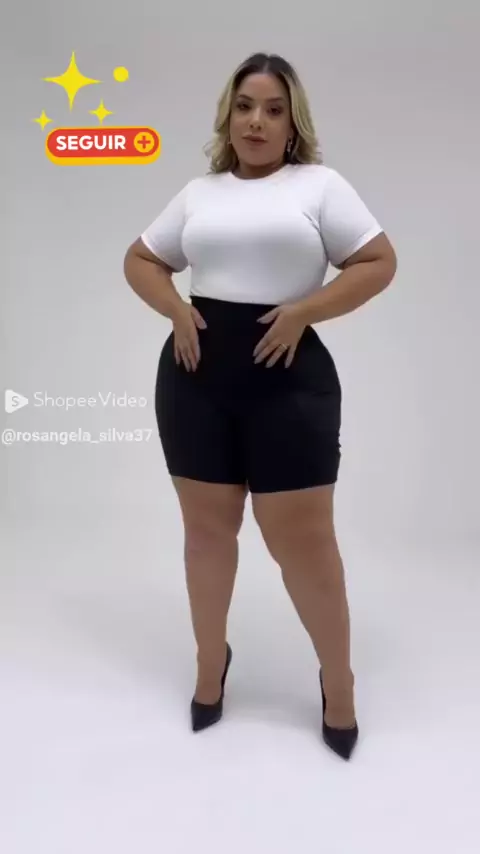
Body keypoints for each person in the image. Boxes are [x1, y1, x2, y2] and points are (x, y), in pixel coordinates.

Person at [124, 52, 397, 760]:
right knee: (206, 535)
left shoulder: (319, 186)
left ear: (292, 123)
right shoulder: (199, 193)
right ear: (228, 116)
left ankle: (338, 680)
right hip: (195, 382)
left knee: (302, 544)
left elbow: (378, 262)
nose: (257, 121)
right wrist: (176, 310)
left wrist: (305, 310)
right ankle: (210, 663)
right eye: (245, 106)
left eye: (274, 110)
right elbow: (142, 259)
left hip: (289, 383)